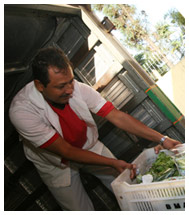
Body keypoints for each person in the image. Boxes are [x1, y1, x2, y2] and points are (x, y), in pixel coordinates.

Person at [9, 47, 181, 211]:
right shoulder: (22, 110)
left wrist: (162, 139)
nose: (69, 90)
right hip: (55, 163)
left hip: (88, 146)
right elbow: (66, 151)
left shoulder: (79, 89)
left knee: (127, 189)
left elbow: (117, 116)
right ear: (40, 85)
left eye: (71, 81)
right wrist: (112, 163)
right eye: (61, 86)